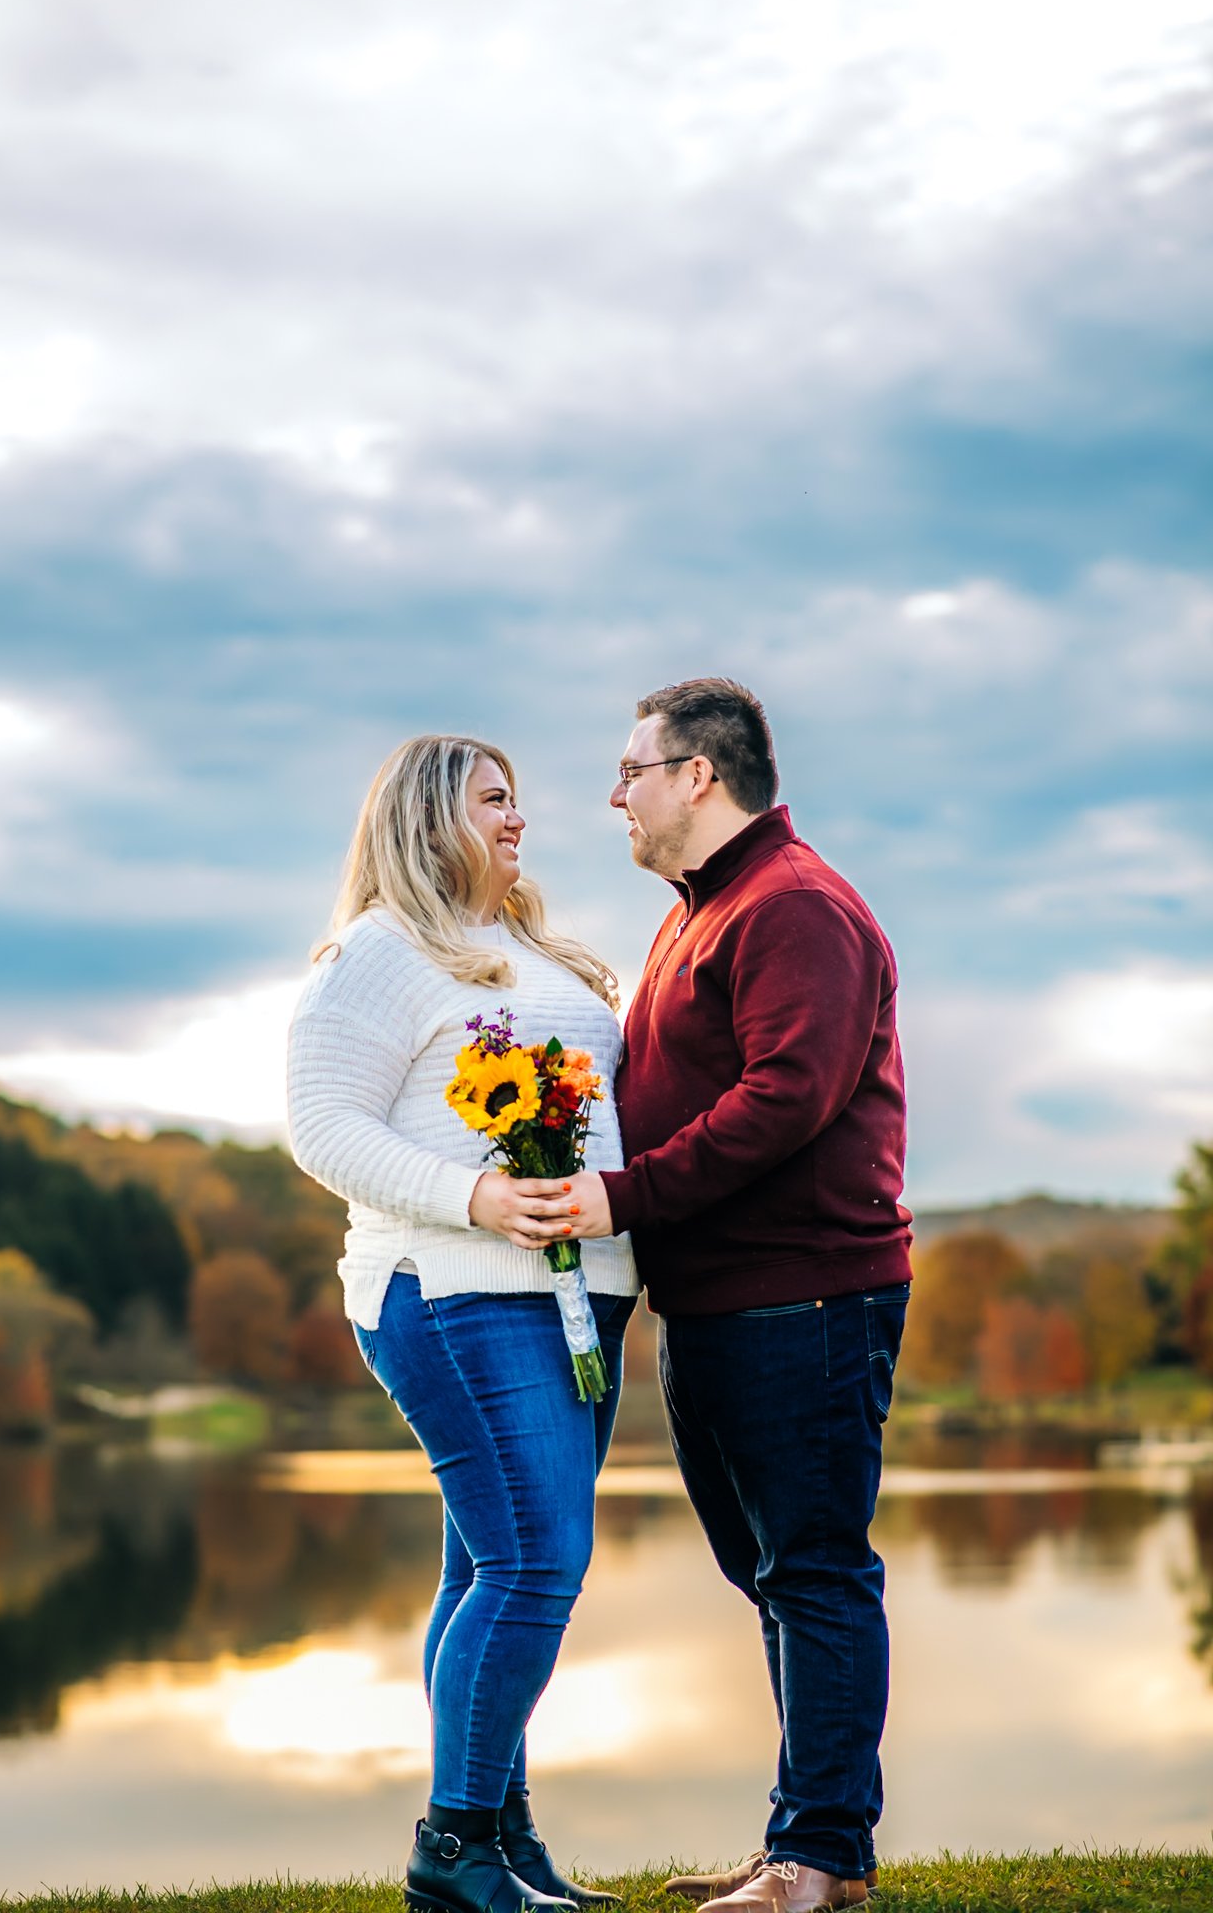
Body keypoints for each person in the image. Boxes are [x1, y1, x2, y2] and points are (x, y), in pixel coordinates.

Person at [549, 680, 912, 1913]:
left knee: (812, 1571)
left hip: (802, 1299)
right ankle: (803, 1844)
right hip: (714, 1304)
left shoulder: (792, 907)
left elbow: (786, 1100)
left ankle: (818, 1858)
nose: (616, 795)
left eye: (630, 769)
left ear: (698, 774)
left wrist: (623, 1194)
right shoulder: (699, 913)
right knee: (772, 1576)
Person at [287, 734, 638, 1913]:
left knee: (487, 1568)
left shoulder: (529, 949)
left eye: (517, 801)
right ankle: (452, 1852)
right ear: (428, 816)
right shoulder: (380, 951)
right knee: (537, 1563)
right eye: (494, 800)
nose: (519, 819)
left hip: (577, 1299)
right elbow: (322, 1127)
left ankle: (504, 1838)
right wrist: (476, 1196)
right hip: (450, 1287)